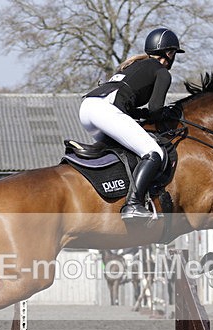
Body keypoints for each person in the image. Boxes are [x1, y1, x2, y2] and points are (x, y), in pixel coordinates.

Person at [79, 28, 184, 220]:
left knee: (124, 152)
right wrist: (168, 114)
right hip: (105, 111)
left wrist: (144, 114)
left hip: (87, 108)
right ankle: (133, 204)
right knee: (154, 153)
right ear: (169, 53)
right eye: (174, 53)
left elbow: (133, 108)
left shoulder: (134, 65)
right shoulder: (161, 72)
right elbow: (155, 110)